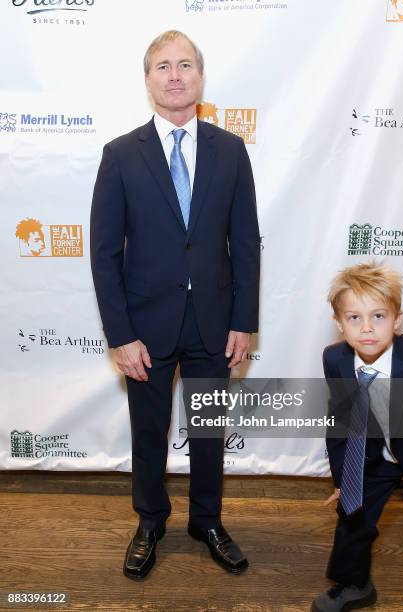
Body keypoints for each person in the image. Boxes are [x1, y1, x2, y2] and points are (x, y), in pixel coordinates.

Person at [90, 30, 260, 581]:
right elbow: (103, 253)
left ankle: (207, 521)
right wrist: (120, 335)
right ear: (148, 80)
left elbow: (246, 241)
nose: (175, 75)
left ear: (200, 77)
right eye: (163, 66)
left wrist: (244, 321)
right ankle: (150, 522)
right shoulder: (120, 155)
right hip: (145, 327)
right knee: (147, 432)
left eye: (185, 64)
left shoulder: (230, 150)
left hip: (214, 322)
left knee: (209, 430)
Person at [312, 262, 403, 611]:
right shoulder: (334, 359)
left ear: (396, 319)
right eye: (354, 318)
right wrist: (341, 479)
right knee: (353, 516)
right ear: (338, 322)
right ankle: (354, 584)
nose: (367, 328)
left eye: (378, 316)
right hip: (375, 457)